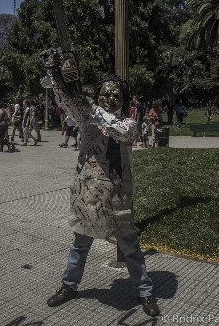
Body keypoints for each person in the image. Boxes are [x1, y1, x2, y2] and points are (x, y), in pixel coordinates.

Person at [43, 69, 160, 318]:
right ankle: (69, 285)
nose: (109, 98)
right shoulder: (87, 120)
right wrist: (56, 77)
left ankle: (144, 291)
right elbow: (66, 102)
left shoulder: (127, 124)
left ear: (123, 98)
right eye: (104, 94)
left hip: (117, 194)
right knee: (80, 243)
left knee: (130, 245)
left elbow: (119, 129)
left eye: (115, 95)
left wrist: (94, 109)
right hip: (89, 192)